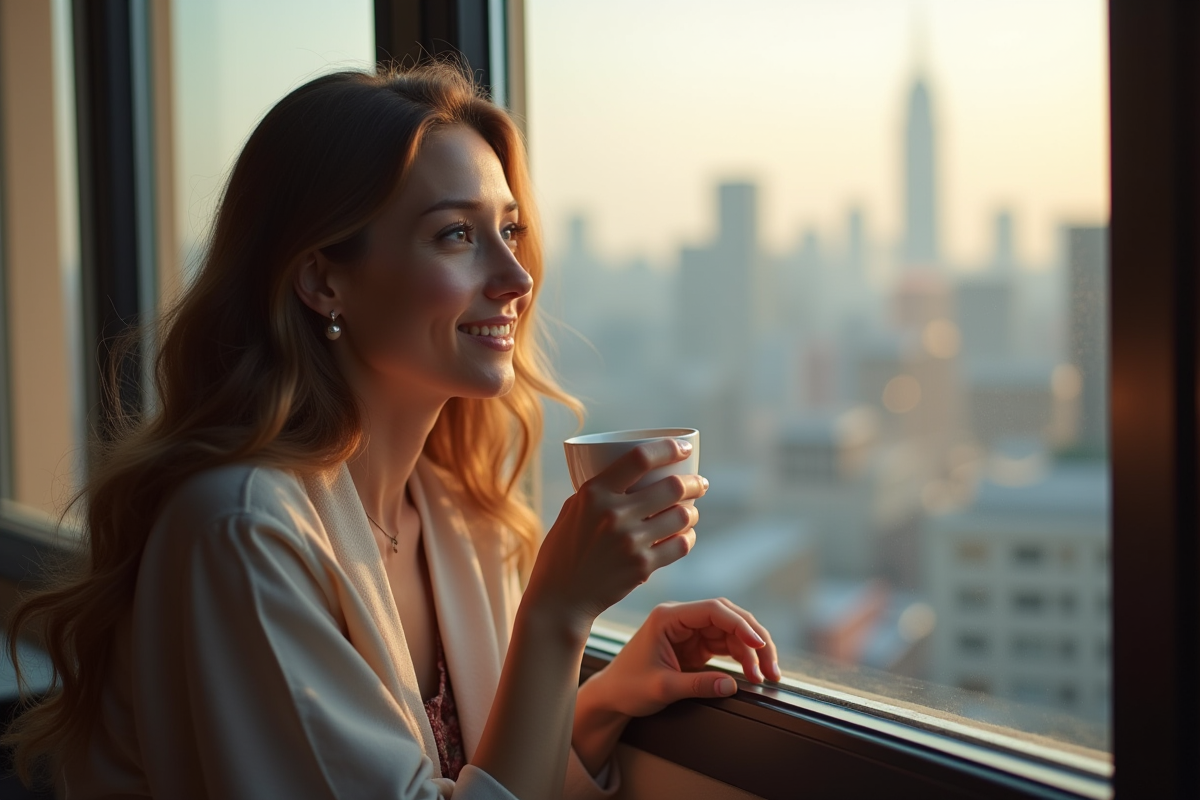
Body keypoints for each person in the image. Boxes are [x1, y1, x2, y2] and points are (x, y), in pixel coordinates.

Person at [3, 63, 781, 799]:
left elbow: (479, 778)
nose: (516, 278)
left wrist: (603, 701)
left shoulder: (455, 511)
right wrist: (557, 615)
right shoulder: (241, 530)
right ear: (322, 280)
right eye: (454, 235)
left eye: (509, 230)